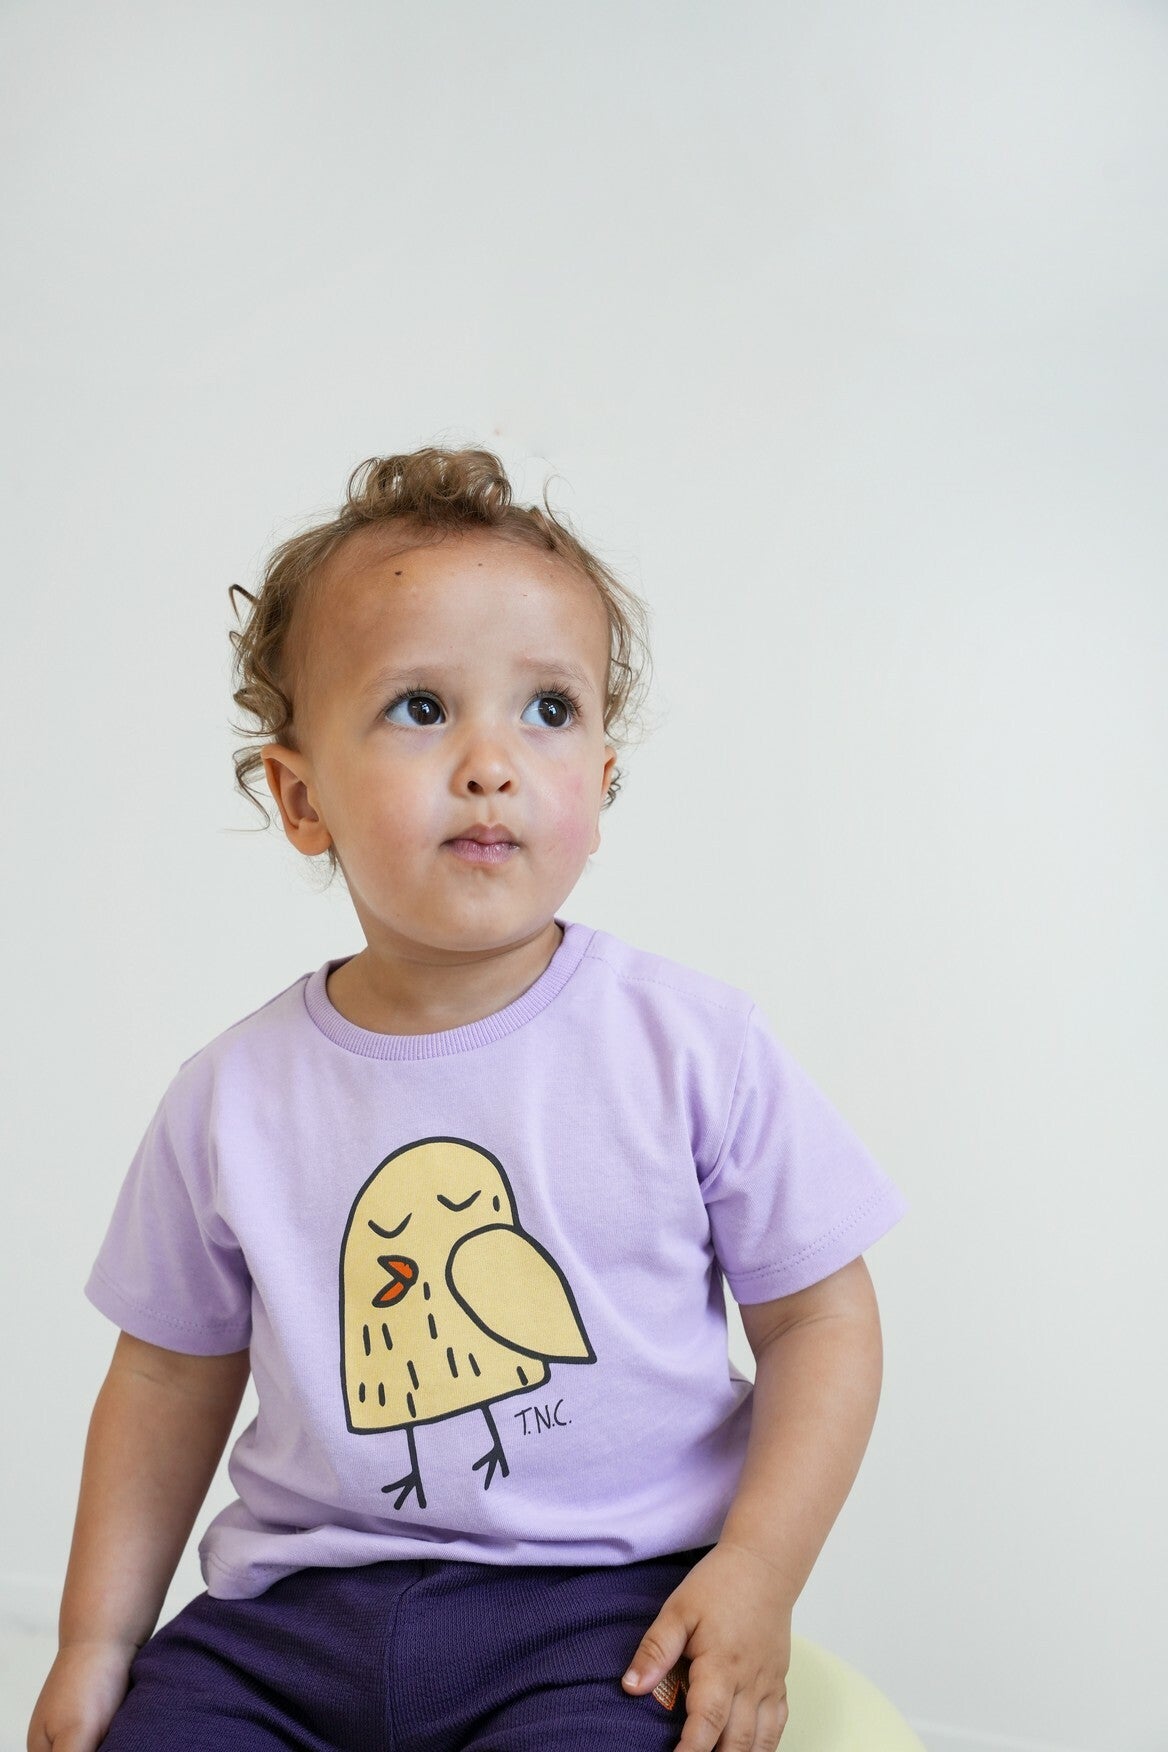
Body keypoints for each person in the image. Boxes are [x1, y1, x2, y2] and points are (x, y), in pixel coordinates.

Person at [28, 446, 907, 1752]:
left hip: (599, 1615)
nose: (492, 761)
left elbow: (822, 1322)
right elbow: (164, 1377)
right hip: (289, 1627)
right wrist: (97, 1644)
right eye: (421, 707)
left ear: (601, 780)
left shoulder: (691, 1046)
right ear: (302, 796)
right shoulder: (231, 1097)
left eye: (548, 708)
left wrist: (758, 1573)